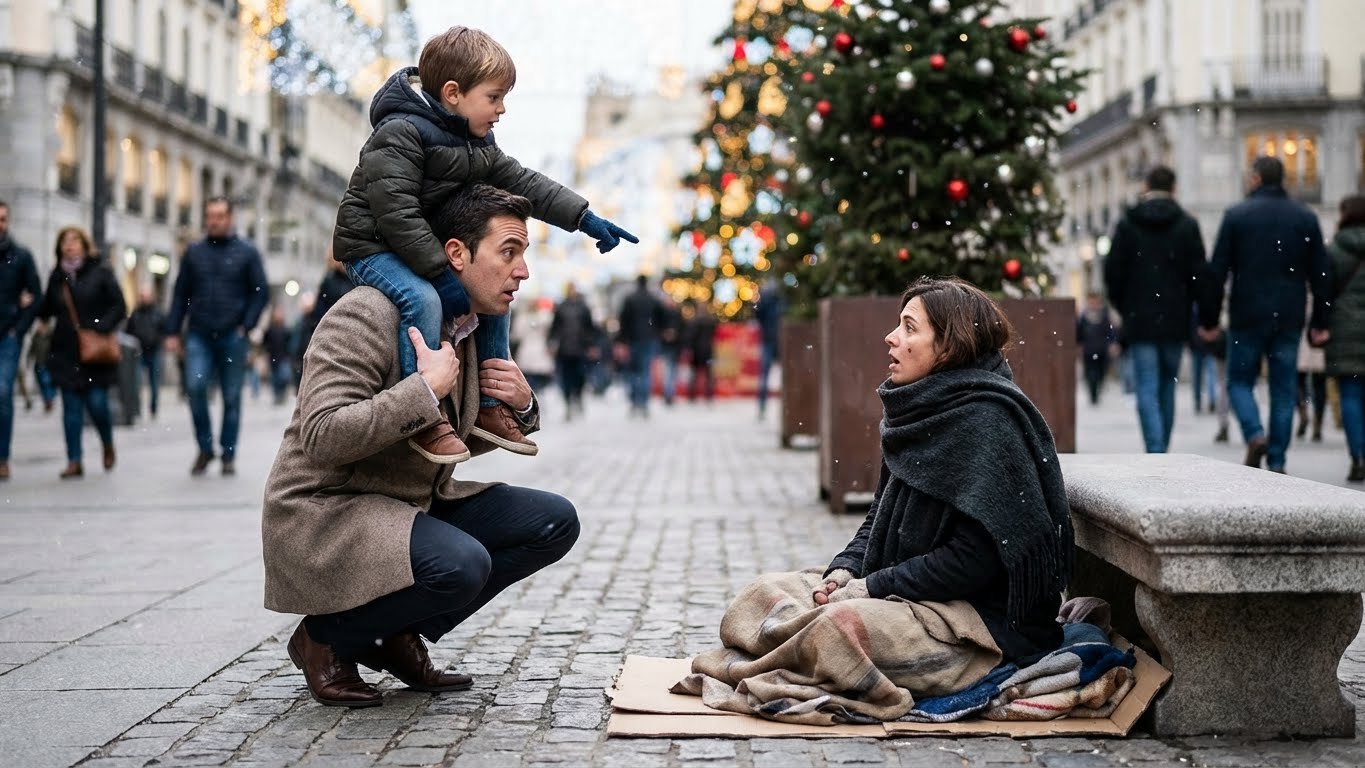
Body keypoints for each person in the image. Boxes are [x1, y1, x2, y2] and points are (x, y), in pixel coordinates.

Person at [682, 277, 1073, 723]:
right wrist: (845, 569)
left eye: (909, 328)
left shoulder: (988, 422)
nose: (892, 338)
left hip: (976, 623)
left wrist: (871, 587)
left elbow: (975, 562)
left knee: (834, 630)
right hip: (904, 590)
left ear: (949, 346)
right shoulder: (918, 410)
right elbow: (879, 514)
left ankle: (785, 659)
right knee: (760, 596)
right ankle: (792, 655)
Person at [262, 184, 579, 708]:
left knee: (552, 522)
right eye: (509, 252)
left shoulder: (467, 327)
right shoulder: (364, 313)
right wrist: (421, 390)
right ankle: (326, 637)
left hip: (407, 506)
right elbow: (321, 436)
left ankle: (389, 635)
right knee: (460, 564)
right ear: (456, 253)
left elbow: (449, 445)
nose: (522, 271)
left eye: (524, 255)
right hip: (329, 509)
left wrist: (523, 407)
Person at [332, 26, 636, 462]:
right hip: (373, 247)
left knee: (494, 298)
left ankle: (491, 407)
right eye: (494, 97)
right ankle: (426, 414)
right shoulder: (400, 132)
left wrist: (584, 218)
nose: (502, 109)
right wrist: (439, 272)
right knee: (422, 299)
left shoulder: (476, 144)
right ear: (454, 93)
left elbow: (526, 181)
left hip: (420, 247)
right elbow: (394, 213)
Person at [1199, 156, 1332, 473]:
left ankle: (1254, 433)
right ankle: (1277, 459)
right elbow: (1321, 273)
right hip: (1289, 314)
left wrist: (1209, 318)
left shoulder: (1237, 215)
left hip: (1247, 312)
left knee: (1239, 381)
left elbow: (1217, 271)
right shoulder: (1304, 217)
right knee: (1283, 389)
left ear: (1256, 178)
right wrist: (1321, 322)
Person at [1103, 166, 1207, 453]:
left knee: (1146, 386)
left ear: (1146, 187)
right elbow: (1199, 274)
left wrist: (1124, 305)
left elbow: (1113, 272)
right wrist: (1203, 313)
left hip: (1140, 318)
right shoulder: (1187, 225)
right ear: (1174, 189)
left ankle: (1155, 450)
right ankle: (1163, 449)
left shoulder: (1128, 223)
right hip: (1175, 317)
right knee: (1167, 385)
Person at [164, 196, 269, 477]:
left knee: (231, 396)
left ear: (230, 218)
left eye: (220, 216)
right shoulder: (194, 252)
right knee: (195, 388)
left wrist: (245, 326)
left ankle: (228, 453)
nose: (214, 221)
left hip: (232, 335)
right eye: (210, 216)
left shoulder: (247, 252)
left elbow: (260, 292)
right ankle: (205, 447)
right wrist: (173, 330)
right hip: (199, 333)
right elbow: (180, 293)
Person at [36, 227, 127, 479]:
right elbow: (47, 308)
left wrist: (100, 326)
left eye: (75, 241)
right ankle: (74, 460)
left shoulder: (101, 273)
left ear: (85, 246)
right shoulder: (57, 276)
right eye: (65, 241)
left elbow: (119, 306)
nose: (70, 245)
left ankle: (107, 442)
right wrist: (33, 307)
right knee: (71, 409)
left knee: (98, 405)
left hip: (94, 352)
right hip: (66, 351)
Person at [1323, 195, 1365, 482]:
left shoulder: (1336, 249)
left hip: (1345, 329)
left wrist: (1320, 326)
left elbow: (1324, 292)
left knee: (1350, 394)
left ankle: (1357, 456)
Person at [0, 200, 42, 480]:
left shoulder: (21, 256)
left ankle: (2, 457)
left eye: (2, 219)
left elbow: (36, 296)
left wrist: (20, 328)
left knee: (3, 392)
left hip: (8, 336)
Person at [616, 275, 663, 417]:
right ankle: (643, 402)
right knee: (645, 371)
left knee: (633, 372)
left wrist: (622, 339)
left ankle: (634, 401)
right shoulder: (653, 299)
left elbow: (623, 320)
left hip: (633, 339)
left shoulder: (630, 299)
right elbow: (661, 318)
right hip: (649, 339)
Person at [548, 284, 595, 420]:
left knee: (580, 376)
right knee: (566, 378)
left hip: (580, 348)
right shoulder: (561, 307)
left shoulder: (583, 307)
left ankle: (578, 398)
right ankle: (568, 402)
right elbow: (555, 327)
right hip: (565, 349)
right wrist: (552, 342)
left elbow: (589, 328)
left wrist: (591, 345)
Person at [125, 288, 166, 418]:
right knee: (136, 382)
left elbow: (163, 330)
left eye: (146, 296)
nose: (144, 299)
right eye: (142, 296)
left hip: (154, 351)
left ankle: (153, 408)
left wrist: (159, 342)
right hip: (139, 352)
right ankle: (136, 408)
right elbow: (129, 331)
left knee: (154, 383)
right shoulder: (135, 314)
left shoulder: (158, 314)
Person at [1075, 293, 1116, 406]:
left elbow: (1110, 332)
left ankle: (1097, 391)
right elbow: (1079, 334)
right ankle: (1093, 395)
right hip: (1088, 350)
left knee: (1101, 373)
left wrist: (1112, 344)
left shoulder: (1104, 317)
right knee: (1090, 374)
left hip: (1102, 350)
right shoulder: (1083, 318)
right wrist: (1079, 346)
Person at [510, 297, 555, 394]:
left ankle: (532, 393)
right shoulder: (544, 318)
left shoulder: (522, 319)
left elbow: (516, 335)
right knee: (539, 377)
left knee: (528, 378)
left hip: (526, 351)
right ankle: (538, 393)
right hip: (540, 350)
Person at [754, 279, 783, 419]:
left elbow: (758, 316)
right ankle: (764, 406)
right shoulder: (780, 300)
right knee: (768, 376)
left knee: (764, 376)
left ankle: (762, 406)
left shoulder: (765, 301)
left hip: (769, 340)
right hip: (777, 340)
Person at [683, 300, 718, 403]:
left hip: (696, 351)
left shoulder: (693, 321)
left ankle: (692, 396)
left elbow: (689, 337)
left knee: (694, 374)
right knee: (709, 374)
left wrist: (688, 348)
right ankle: (709, 395)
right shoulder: (711, 321)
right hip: (708, 351)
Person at [263, 306, 292, 406]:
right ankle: (277, 396)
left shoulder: (286, 329)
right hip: (273, 357)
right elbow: (265, 342)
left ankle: (282, 395)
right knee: (275, 379)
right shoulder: (270, 329)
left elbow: (289, 343)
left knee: (283, 377)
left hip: (283, 357)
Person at [658, 296, 683, 407]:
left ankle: (670, 393)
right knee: (668, 371)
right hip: (667, 347)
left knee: (672, 371)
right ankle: (668, 393)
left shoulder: (676, 315)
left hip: (674, 347)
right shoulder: (663, 314)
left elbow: (682, 329)